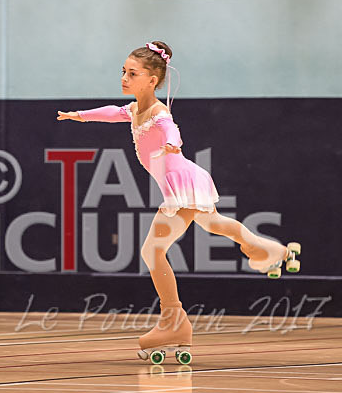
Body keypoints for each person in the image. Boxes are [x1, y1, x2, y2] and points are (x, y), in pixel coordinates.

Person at [56, 41, 300, 363]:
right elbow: (114, 112)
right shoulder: (135, 110)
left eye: (132, 73)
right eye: (123, 71)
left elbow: (170, 128)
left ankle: (174, 321)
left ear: (152, 80)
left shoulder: (158, 111)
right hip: (186, 181)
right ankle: (276, 251)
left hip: (182, 183)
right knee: (215, 224)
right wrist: (80, 116)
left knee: (152, 250)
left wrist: (173, 144)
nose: (124, 78)